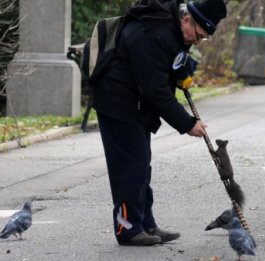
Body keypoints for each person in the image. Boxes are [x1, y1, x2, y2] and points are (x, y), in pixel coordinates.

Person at [92, 0, 227, 246]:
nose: (197, 42)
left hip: (136, 106)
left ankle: (146, 224)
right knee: (129, 167)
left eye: (203, 39)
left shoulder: (171, 32)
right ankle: (128, 229)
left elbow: (166, 66)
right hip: (117, 102)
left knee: (141, 166)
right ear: (186, 19)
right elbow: (154, 90)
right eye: (198, 36)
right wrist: (187, 124)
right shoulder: (154, 33)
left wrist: (182, 71)